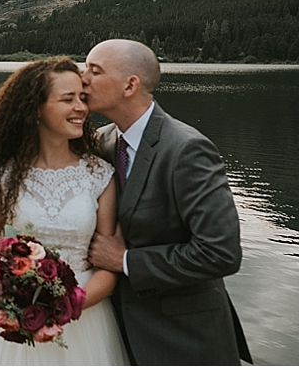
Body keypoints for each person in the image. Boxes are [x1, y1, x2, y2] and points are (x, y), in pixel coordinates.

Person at [83, 39, 251, 365]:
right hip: (113, 335)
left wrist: (128, 261)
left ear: (130, 85)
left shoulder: (186, 150)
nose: (82, 78)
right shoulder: (99, 143)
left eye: (94, 70)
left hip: (184, 339)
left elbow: (221, 253)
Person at [0, 56, 129, 365]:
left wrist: (68, 305)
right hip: (13, 319)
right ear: (36, 109)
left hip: (85, 318)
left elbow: (109, 265)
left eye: (82, 98)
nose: (81, 108)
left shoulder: (99, 175)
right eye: (68, 99)